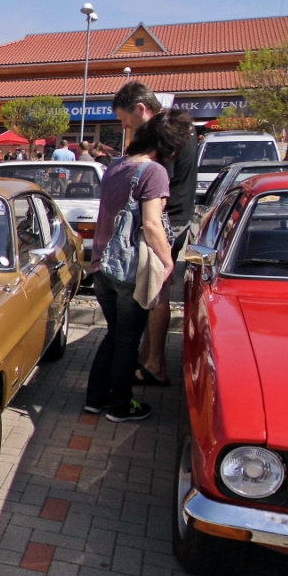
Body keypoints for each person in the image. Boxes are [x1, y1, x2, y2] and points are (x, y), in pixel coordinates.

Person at [85, 108, 192, 422]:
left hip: (103, 265)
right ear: (168, 146)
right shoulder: (153, 171)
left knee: (114, 334)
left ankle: (95, 399)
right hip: (130, 269)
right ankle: (120, 405)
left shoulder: (116, 166)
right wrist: (169, 262)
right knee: (128, 339)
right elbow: (152, 224)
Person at [112, 81, 198, 386]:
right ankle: (147, 358)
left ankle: (154, 364)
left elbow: (156, 198)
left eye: (125, 121)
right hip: (177, 218)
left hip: (167, 222)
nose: (125, 127)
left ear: (141, 109)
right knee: (155, 290)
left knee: (157, 290)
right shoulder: (179, 127)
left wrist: (163, 252)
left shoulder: (167, 134)